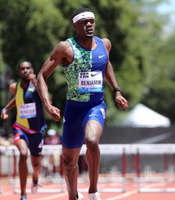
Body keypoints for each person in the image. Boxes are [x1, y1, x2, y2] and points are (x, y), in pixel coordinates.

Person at [37, 7, 128, 200]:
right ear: (75, 26)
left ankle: (93, 191)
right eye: (84, 22)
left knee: (92, 141)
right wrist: (47, 104)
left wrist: (116, 91)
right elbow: (41, 76)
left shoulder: (104, 44)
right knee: (69, 162)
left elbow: (106, 64)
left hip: (95, 106)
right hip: (73, 109)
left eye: (91, 21)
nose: (89, 25)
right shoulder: (65, 48)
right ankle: (73, 196)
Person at [1, 61, 47, 200]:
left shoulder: (38, 84)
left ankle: (35, 177)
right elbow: (18, 99)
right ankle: (23, 194)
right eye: (22, 69)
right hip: (20, 127)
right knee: (22, 153)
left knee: (36, 163)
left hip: (36, 130)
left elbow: (47, 100)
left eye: (28, 68)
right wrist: (5, 109)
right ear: (19, 72)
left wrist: (37, 85)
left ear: (32, 70)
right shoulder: (15, 87)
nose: (25, 71)